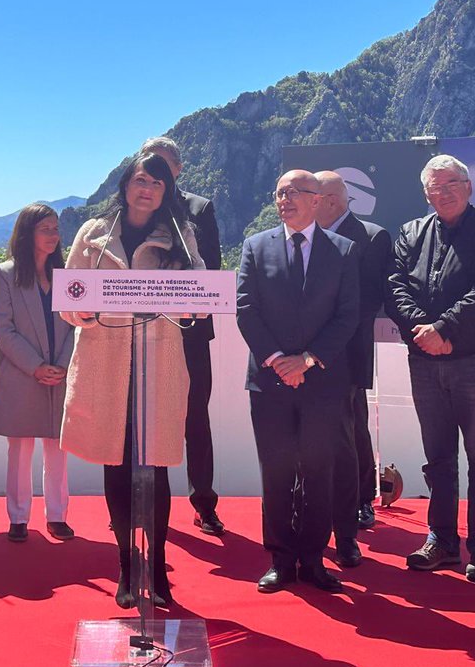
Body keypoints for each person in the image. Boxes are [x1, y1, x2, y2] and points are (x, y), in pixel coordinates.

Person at [60, 152, 204, 608]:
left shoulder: (181, 234)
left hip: (158, 364)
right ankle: (125, 563)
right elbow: (71, 296)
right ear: (124, 186)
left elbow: (200, 297)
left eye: (157, 184)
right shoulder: (92, 234)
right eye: (141, 180)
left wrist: (191, 298)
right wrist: (78, 310)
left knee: (156, 467)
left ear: (166, 193)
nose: (148, 189)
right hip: (107, 364)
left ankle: (158, 566)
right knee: (115, 464)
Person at [386, 154, 475, 583]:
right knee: (437, 457)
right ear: (425, 194)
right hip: (423, 361)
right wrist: (423, 332)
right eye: (434, 189)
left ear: (469, 186)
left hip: (474, 360)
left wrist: (444, 327)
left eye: (451, 185)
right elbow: (395, 286)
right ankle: (441, 541)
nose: (443, 194)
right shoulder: (410, 232)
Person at [236, 170, 360, 594]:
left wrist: (306, 361)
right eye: (280, 193)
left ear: (317, 200)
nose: (284, 199)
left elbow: (348, 315)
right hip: (270, 382)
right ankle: (280, 559)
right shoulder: (255, 246)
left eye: (293, 193)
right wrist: (277, 361)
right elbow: (246, 310)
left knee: (318, 471)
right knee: (276, 470)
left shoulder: (343, 251)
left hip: (322, 381)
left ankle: (313, 558)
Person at [141, 136, 225, 536]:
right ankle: (143, 503)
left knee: (195, 417)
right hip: (142, 333)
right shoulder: (133, 211)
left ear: (177, 169)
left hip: (190, 331)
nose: (154, 171)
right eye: (148, 163)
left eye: (162, 164)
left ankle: (204, 504)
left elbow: (209, 274)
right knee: (143, 417)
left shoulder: (198, 209)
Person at [315, 169, 392, 557]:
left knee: (351, 425)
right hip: (308, 352)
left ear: (330, 200)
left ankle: (362, 498)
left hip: (348, 350)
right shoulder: (307, 235)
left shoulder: (373, 237)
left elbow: (370, 299)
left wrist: (330, 330)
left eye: (314, 197)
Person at [0, 203, 75, 542]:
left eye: (56, 229)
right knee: (20, 450)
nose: (54, 235)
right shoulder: (6, 274)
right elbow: (2, 329)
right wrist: (36, 367)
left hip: (60, 373)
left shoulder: (67, 274)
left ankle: (57, 516)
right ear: (28, 234)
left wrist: (64, 364)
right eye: (46, 229)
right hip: (22, 376)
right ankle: (18, 518)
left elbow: (78, 324)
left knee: (58, 449)